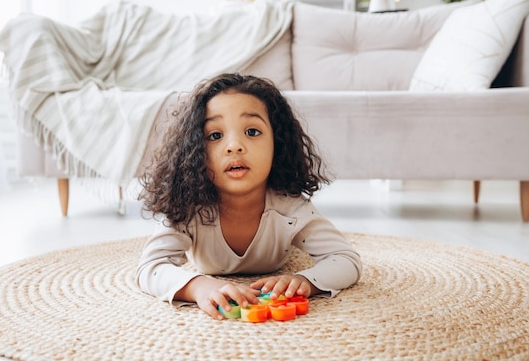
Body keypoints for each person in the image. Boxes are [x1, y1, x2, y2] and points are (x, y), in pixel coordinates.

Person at [136, 73, 361, 320]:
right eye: (215, 135)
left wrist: (305, 280)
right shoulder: (189, 207)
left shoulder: (290, 207)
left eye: (252, 131)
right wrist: (199, 286)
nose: (234, 146)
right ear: (195, 151)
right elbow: (151, 268)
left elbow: (346, 259)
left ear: (278, 143)